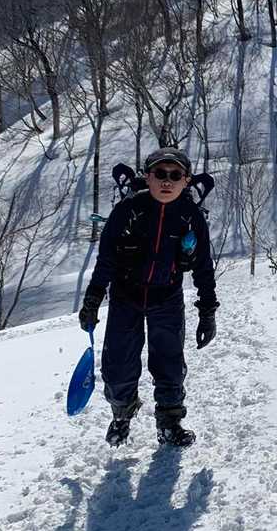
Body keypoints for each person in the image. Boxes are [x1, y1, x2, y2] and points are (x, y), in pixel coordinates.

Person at [79, 147, 217, 448]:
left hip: (167, 297)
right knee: (118, 365)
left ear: (186, 180)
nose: (167, 181)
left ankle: (169, 423)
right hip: (125, 296)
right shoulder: (127, 210)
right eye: (160, 174)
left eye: (175, 175)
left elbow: (203, 266)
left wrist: (208, 311)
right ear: (147, 176)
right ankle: (121, 415)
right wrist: (93, 299)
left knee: (169, 363)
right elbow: (106, 259)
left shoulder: (191, 216)